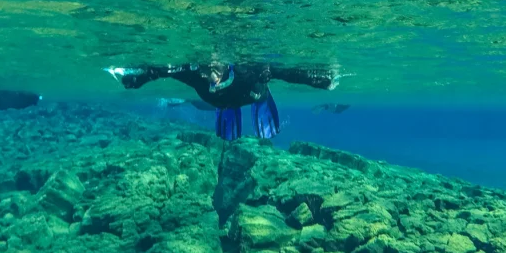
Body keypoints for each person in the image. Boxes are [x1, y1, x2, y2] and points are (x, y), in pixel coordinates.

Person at [105, 63, 342, 140]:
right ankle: (226, 110)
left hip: (254, 97)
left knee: (260, 89)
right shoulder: (195, 75)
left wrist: (319, 81)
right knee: (211, 101)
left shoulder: (248, 72)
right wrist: (135, 79)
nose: (210, 76)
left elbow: (284, 73)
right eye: (206, 70)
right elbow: (162, 71)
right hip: (223, 105)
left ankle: (262, 101)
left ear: (227, 68)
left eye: (215, 70)